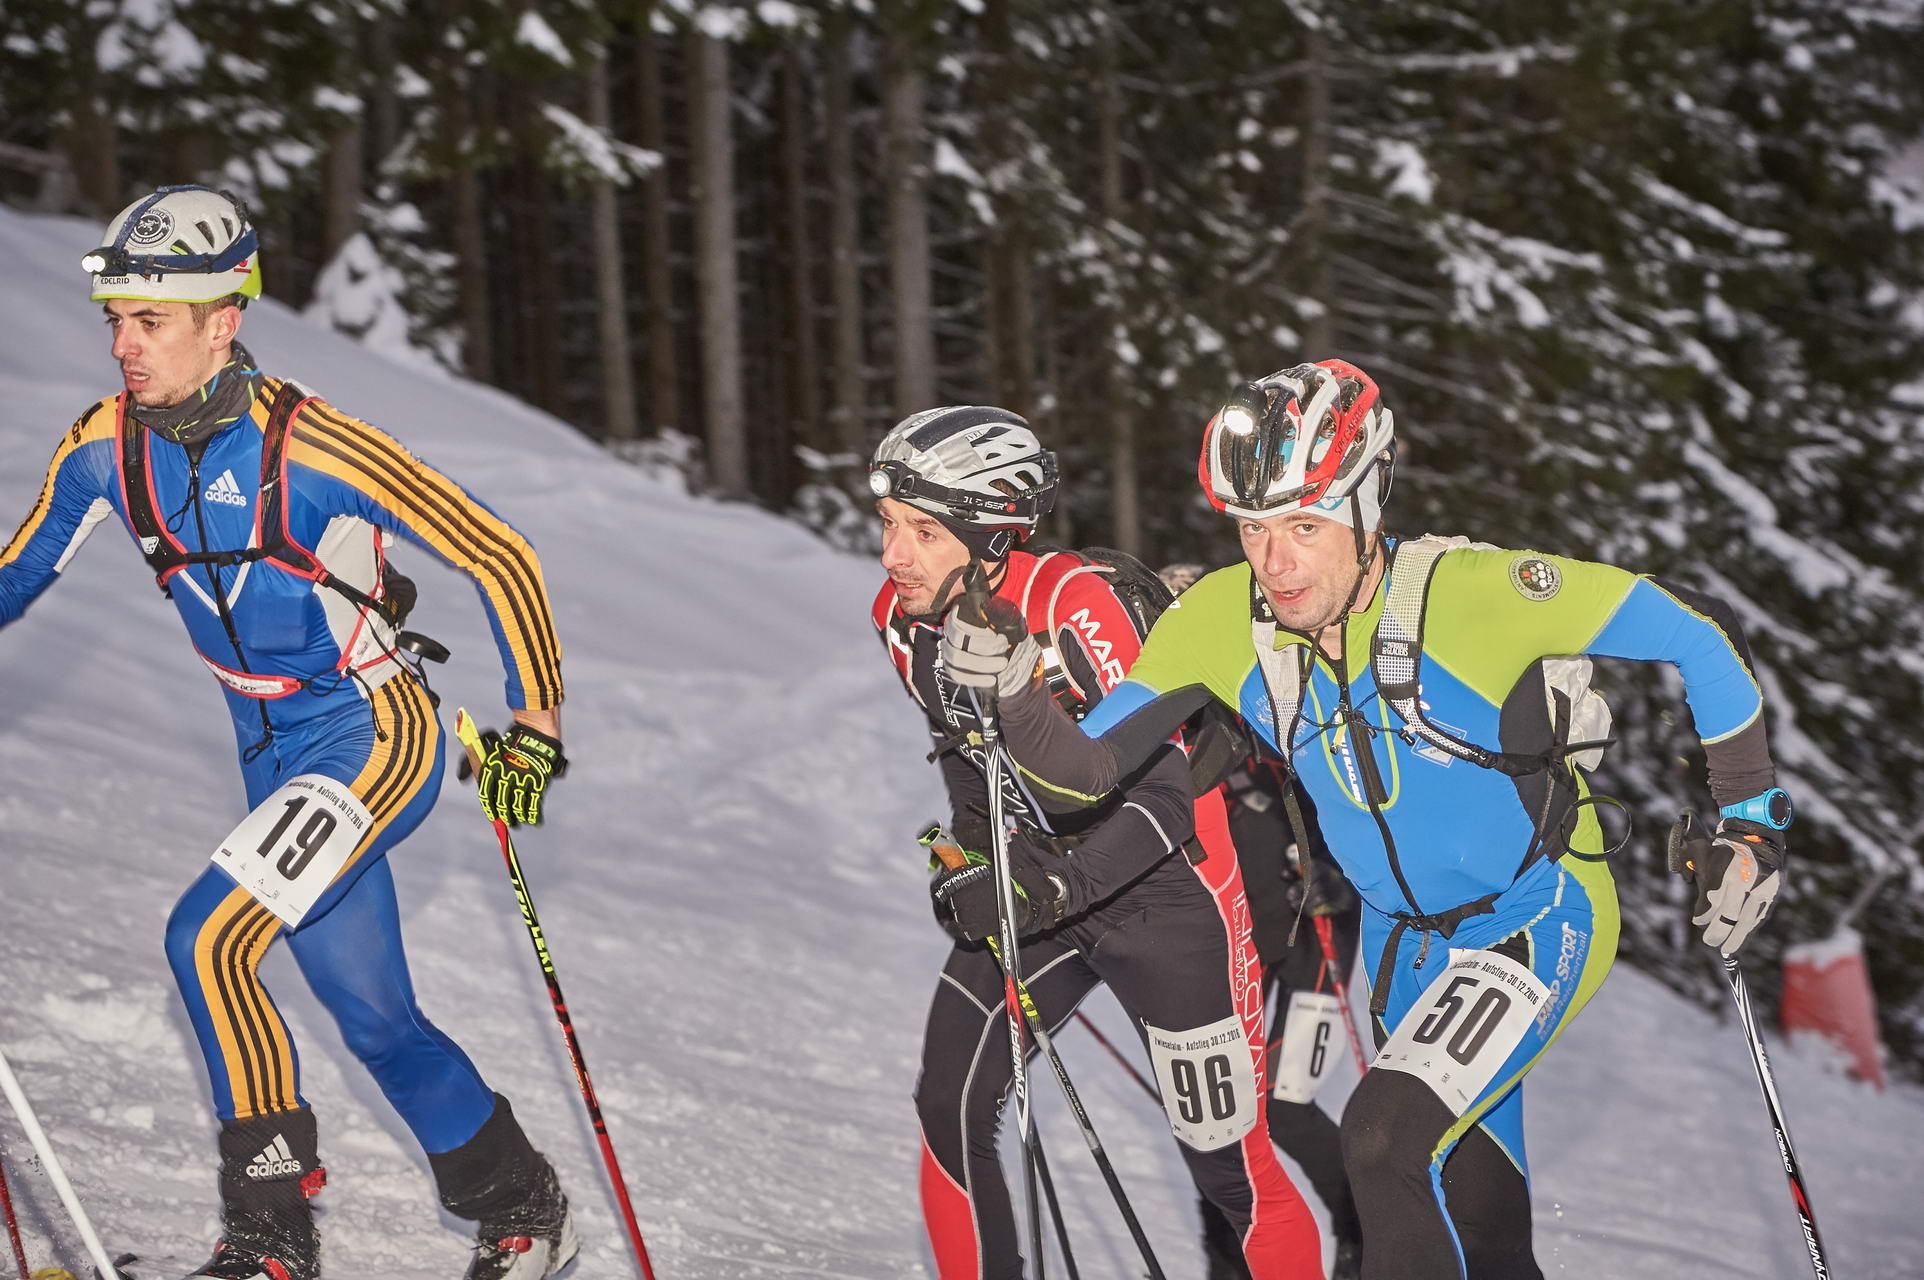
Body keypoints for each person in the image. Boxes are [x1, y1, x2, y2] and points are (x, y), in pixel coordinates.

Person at [942, 360, 1791, 1280]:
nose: (1275, 562)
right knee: (1483, 1224)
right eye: (1254, 529)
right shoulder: (1222, 619)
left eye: (1304, 526)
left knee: (1382, 1143)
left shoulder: (1475, 593)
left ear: (1368, 503)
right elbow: (1085, 774)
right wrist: (1018, 693)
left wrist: (1751, 823)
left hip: (1536, 916)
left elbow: (1694, 632)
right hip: (1400, 950)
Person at [1, 185, 577, 1280]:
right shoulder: (103, 445)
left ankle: (270, 1244)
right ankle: (524, 1200)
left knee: (208, 941)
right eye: (114, 319)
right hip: (268, 749)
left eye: (150, 321)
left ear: (224, 320)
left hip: (371, 728)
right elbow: (17, 571)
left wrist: (534, 730)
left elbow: (500, 553)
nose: (123, 345)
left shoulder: (314, 448)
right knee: (372, 1016)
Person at [867, 406, 1321, 1279]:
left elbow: (1164, 802)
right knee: (948, 1106)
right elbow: (968, 765)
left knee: (1228, 1165)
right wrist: (967, 864)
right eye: (889, 525)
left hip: (1170, 902)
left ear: (992, 534)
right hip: (1041, 887)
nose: (895, 555)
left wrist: (1052, 893)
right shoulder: (900, 618)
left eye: (924, 532)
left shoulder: (1077, 606)